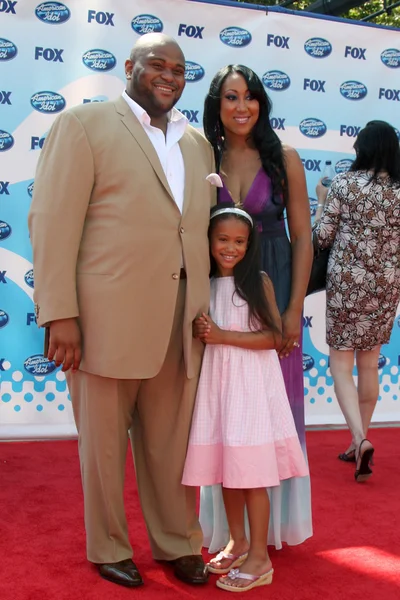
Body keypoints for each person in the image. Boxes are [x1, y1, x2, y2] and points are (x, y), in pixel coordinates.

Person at [28, 33, 215, 587]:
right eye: (157, 65)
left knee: (172, 444)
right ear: (129, 67)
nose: (170, 76)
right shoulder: (83, 126)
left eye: (179, 69)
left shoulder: (196, 145)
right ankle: (108, 545)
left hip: (181, 323)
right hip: (103, 321)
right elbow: (52, 220)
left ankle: (178, 542)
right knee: (104, 447)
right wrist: (60, 312)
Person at [199, 64, 313, 559]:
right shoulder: (205, 158)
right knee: (226, 406)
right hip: (223, 292)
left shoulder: (284, 158)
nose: (241, 106)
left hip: (276, 289)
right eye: (230, 97)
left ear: (262, 104)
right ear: (217, 105)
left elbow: (304, 236)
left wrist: (293, 311)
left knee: (271, 407)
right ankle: (233, 535)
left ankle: (271, 529)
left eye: (250, 97)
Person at [182, 206, 309, 592]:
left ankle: (260, 556)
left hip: (250, 390)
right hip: (218, 388)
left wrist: (223, 337)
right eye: (222, 239)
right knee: (227, 469)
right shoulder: (202, 284)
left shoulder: (259, 281)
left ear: (249, 244)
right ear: (208, 241)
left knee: (251, 475)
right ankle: (236, 541)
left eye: (239, 241)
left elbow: (274, 338)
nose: (230, 248)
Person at [314, 120, 400, 482]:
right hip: (386, 285)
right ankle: (357, 441)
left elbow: (321, 237)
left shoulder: (345, 185)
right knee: (369, 365)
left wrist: (321, 200)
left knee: (340, 364)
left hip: (348, 283)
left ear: (362, 148)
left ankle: (360, 438)